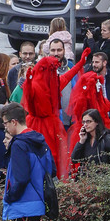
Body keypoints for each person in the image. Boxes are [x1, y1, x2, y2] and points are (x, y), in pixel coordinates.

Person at [22, 47, 90, 179]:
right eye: (52, 70)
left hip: (50, 124)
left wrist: (81, 63)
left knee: (56, 155)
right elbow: (29, 99)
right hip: (39, 126)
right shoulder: (39, 85)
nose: (54, 73)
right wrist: (28, 83)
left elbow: (69, 75)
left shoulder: (54, 83)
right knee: (44, 155)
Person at [0, 102, 55, 221]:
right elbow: (52, 170)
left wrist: (8, 196)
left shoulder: (19, 144)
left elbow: (21, 178)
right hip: (39, 201)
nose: (5, 126)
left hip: (22, 204)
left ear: (14, 122)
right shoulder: (39, 139)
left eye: (5, 123)